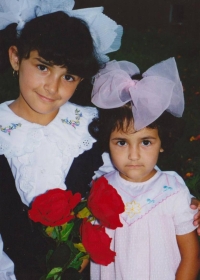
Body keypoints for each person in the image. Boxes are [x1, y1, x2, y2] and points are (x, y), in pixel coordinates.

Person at [0, 0, 123, 279]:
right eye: (43, 67)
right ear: (16, 58)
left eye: (67, 76)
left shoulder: (88, 127)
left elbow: (126, 178)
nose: (52, 87)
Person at [89, 58, 200, 279]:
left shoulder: (172, 190)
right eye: (121, 142)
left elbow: (191, 256)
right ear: (107, 141)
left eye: (146, 142)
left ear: (161, 143)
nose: (134, 155)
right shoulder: (101, 186)